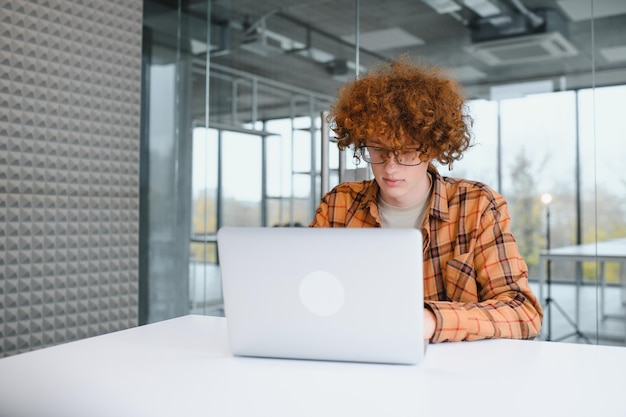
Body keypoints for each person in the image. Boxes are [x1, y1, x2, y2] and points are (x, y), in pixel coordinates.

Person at [309, 55, 543, 343]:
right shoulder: (339, 205)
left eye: (407, 151)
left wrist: (433, 320)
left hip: (454, 374)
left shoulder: (476, 205)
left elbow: (523, 312)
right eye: (378, 149)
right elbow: (310, 290)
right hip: (357, 354)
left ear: (432, 147)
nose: (390, 167)